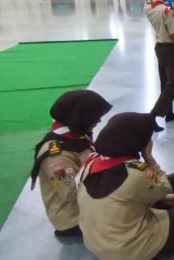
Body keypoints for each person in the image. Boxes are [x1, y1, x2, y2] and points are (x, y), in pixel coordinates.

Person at [78, 112, 174, 260]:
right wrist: (149, 157)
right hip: (127, 250)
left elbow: (121, 198)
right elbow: (166, 186)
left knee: (160, 203)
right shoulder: (135, 172)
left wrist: (161, 199)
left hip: (96, 244)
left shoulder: (90, 162)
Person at [30, 90, 112, 238]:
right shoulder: (56, 158)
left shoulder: (76, 135)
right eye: (94, 117)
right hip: (74, 220)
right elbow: (70, 193)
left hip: (89, 206)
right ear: (79, 117)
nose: (99, 121)